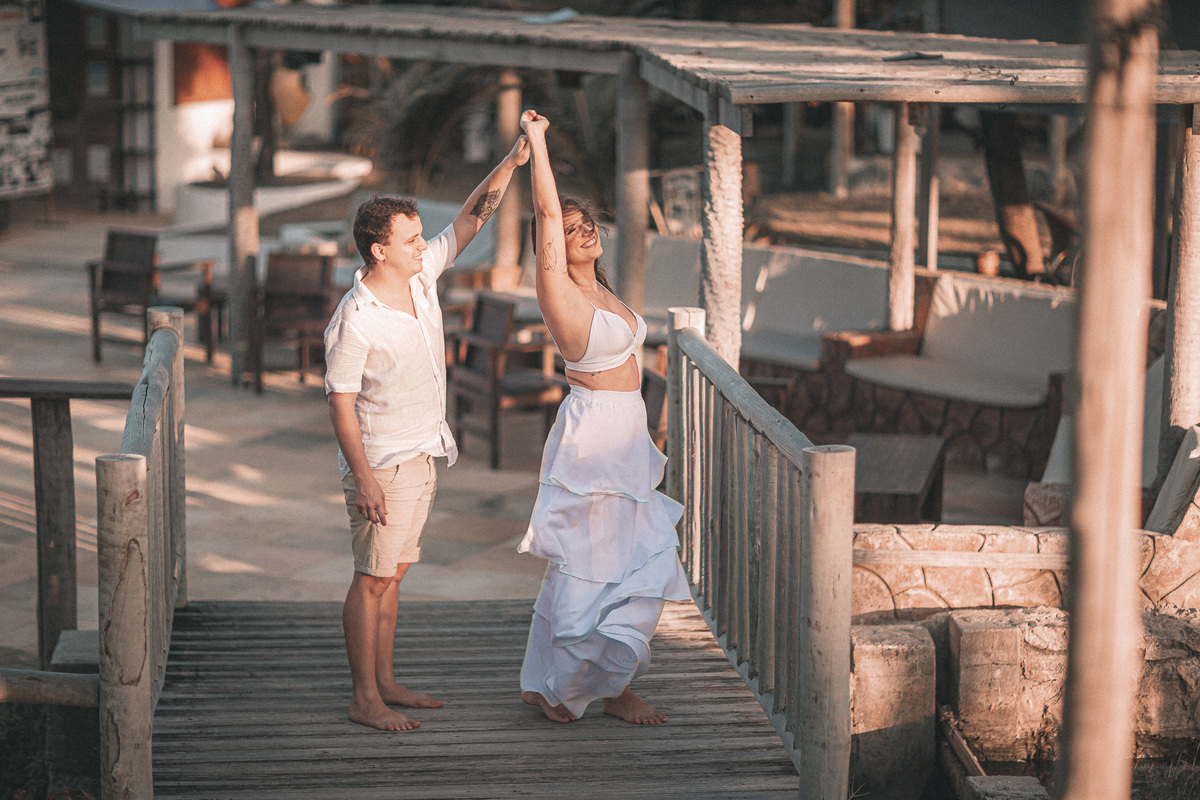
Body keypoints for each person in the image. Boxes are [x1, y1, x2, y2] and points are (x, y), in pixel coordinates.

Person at [324, 134, 529, 732]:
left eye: (421, 237)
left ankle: (385, 682)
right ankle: (365, 699)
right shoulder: (355, 319)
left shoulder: (418, 279)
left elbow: (470, 219)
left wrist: (511, 163)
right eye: (411, 239)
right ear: (378, 248)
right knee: (370, 580)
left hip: (423, 453)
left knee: (393, 575)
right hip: (382, 465)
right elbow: (339, 407)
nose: (424, 246)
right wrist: (365, 480)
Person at [516, 109, 690, 725]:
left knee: (628, 558)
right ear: (551, 243)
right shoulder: (557, 291)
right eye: (568, 227)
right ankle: (583, 687)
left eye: (586, 221)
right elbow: (543, 214)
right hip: (594, 437)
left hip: (624, 436)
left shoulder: (602, 289)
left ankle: (577, 682)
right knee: (593, 563)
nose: (581, 230)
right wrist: (538, 140)